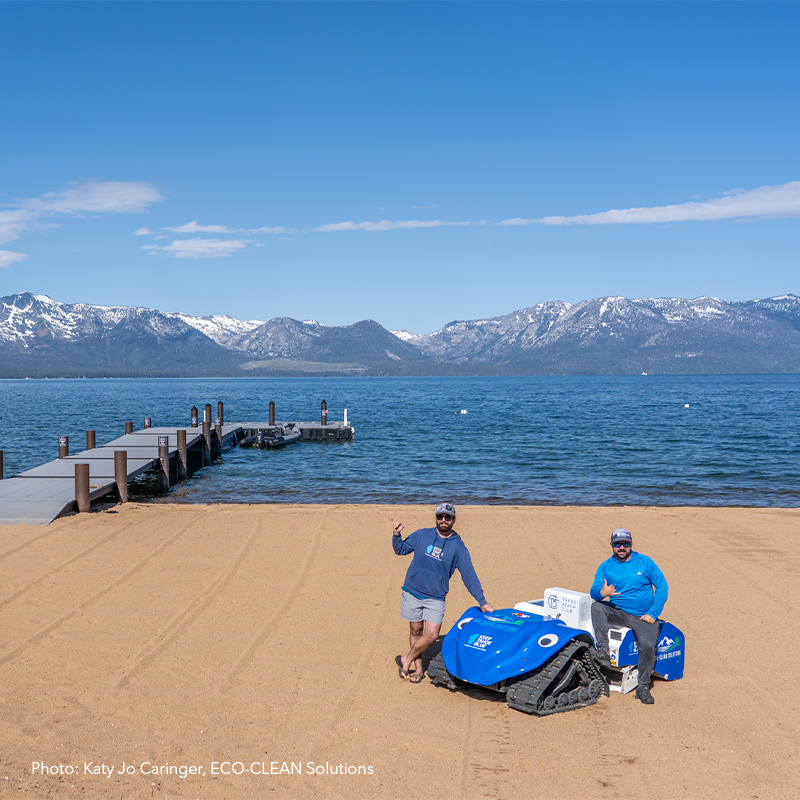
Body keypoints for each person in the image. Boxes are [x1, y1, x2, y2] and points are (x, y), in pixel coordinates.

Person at [392, 502, 494, 683]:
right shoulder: (422, 534)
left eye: (448, 517)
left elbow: (469, 575)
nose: (444, 520)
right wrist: (396, 534)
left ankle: (405, 659)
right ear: (436, 518)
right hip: (412, 591)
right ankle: (418, 668)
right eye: (440, 517)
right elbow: (401, 550)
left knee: (430, 635)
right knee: (415, 630)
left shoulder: (458, 548)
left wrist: (482, 601)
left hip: (435, 597)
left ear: (453, 520)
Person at [590, 528, 668, 705]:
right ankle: (603, 650)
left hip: (642, 616)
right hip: (618, 611)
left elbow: (662, 586)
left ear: (632, 544)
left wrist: (653, 613)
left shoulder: (645, 562)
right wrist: (602, 592)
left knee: (648, 646)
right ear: (612, 546)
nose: (622, 547)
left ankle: (643, 686)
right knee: (597, 607)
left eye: (626, 543)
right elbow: (594, 592)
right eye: (618, 544)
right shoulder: (606, 566)